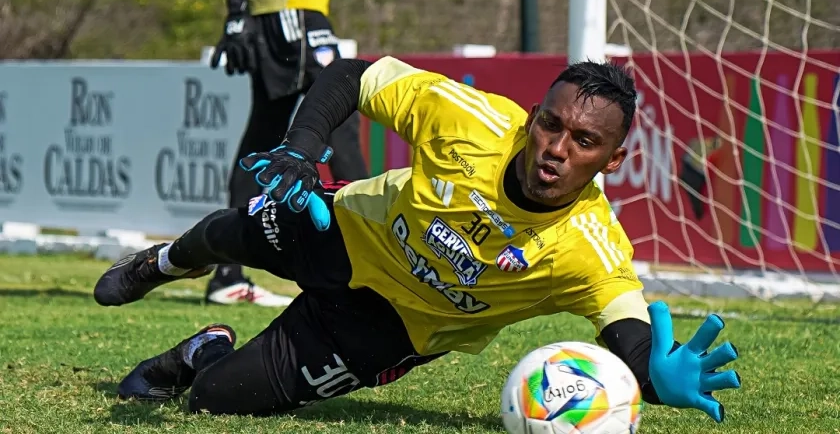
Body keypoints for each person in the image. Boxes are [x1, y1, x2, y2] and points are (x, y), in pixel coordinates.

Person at [94, 56, 741, 421]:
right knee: (229, 233)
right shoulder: (473, 120)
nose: (555, 148)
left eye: (583, 142)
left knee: (216, 401)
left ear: (612, 161)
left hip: (390, 329)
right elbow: (350, 75)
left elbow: (629, 337)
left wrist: (655, 377)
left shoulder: (590, 247)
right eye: (549, 124)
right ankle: (161, 263)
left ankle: (201, 352)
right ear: (533, 117)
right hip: (346, 229)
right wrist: (299, 151)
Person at [201, 0, 441, 306]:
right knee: (339, 117)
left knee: (265, 136)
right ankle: (372, 265)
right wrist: (236, 12)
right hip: (290, 7)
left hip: (292, 8)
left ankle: (227, 273)